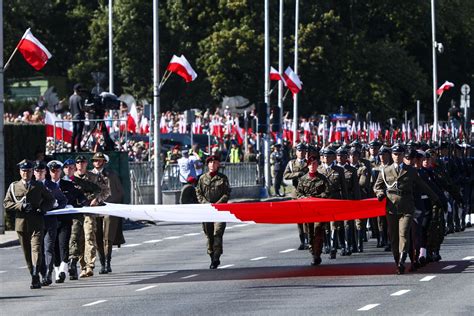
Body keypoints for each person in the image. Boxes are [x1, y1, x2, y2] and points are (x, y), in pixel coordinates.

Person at [374, 144, 441, 275]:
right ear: (392, 155)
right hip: (391, 208)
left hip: (407, 207)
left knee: (403, 233)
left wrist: (436, 198)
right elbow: (377, 186)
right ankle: (397, 259)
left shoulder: (410, 171)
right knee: (393, 238)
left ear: (403, 155)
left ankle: (402, 261)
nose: (397, 156)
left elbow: (423, 186)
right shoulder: (385, 171)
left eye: (399, 154)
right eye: (395, 154)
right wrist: (379, 194)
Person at [3, 160, 55, 289]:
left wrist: (43, 208)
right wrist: (21, 206)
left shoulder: (38, 186)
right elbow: (6, 203)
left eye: (29, 171)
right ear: (20, 172)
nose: (26, 173)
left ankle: (35, 274)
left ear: (32, 172)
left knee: (36, 249)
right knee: (27, 253)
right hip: (21, 224)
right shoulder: (14, 186)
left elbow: (50, 200)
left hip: (37, 222)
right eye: (24, 171)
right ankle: (33, 273)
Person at [48, 160, 87, 284]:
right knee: (53, 247)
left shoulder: (68, 185)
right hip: (50, 221)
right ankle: (57, 269)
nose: (55, 173)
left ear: (60, 171)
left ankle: (63, 269)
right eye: (53, 171)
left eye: (57, 170)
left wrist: (81, 203)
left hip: (65, 220)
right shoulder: (45, 185)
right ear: (49, 172)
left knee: (63, 245)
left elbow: (80, 196)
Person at [70, 155, 109, 279]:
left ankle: (89, 265)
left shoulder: (94, 177)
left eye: (83, 162)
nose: (80, 164)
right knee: (78, 239)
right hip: (76, 213)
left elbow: (105, 191)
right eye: (78, 162)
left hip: (89, 212)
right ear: (75, 165)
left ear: (86, 164)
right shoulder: (71, 178)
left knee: (89, 237)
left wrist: (97, 200)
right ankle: (82, 266)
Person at [33, 161, 68, 286]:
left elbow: (63, 200)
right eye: (37, 171)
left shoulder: (52, 186)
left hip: (50, 221)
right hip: (36, 222)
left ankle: (48, 273)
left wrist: (55, 209)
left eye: (42, 171)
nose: (39, 173)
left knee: (48, 248)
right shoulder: (30, 185)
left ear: (45, 172)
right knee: (38, 249)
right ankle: (41, 273)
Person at [91, 152, 125, 274]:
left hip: (109, 209)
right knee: (98, 236)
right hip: (94, 210)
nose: (97, 162)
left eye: (100, 160)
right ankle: (102, 262)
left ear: (104, 162)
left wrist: (111, 204)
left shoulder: (111, 175)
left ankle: (107, 262)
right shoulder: (89, 175)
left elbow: (119, 192)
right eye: (95, 160)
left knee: (107, 237)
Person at [196, 155, 231, 269]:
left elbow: (226, 193)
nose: (212, 164)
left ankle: (216, 257)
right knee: (209, 235)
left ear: (218, 165)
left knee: (218, 233)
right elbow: (198, 193)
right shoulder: (202, 178)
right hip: (207, 211)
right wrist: (205, 203)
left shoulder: (222, 178)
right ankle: (211, 254)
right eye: (210, 163)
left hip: (220, 211)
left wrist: (218, 204)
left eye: (214, 162)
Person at [296, 156, 330, 266]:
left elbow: (327, 192)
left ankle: (317, 253)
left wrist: (318, 198)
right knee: (309, 233)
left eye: (314, 164)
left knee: (318, 230)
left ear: (317, 165)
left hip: (319, 210)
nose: (312, 166)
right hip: (307, 211)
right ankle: (313, 251)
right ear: (307, 165)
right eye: (310, 164)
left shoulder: (322, 179)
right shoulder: (303, 179)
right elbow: (299, 193)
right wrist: (304, 198)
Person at [318, 147, 348, 259]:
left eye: (329, 156)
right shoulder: (319, 170)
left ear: (333, 157)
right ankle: (326, 245)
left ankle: (333, 247)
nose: (326, 158)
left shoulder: (339, 170)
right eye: (325, 156)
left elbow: (344, 188)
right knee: (325, 225)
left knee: (335, 225)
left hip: (336, 200)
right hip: (323, 201)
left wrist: (345, 202)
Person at [284, 143, 309, 250]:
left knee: (308, 219)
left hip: (307, 193)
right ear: (296, 152)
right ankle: (302, 241)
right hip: (296, 194)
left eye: (303, 151)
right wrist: (297, 174)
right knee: (299, 220)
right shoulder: (291, 163)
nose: (301, 152)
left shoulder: (309, 163)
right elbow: (286, 175)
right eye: (299, 151)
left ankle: (308, 239)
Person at [69, 83, 85, 152]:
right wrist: (88, 109)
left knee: (74, 133)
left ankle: (72, 148)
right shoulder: (79, 98)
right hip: (79, 118)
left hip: (73, 118)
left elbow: (69, 107)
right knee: (79, 133)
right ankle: (78, 148)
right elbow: (81, 108)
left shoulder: (70, 98)